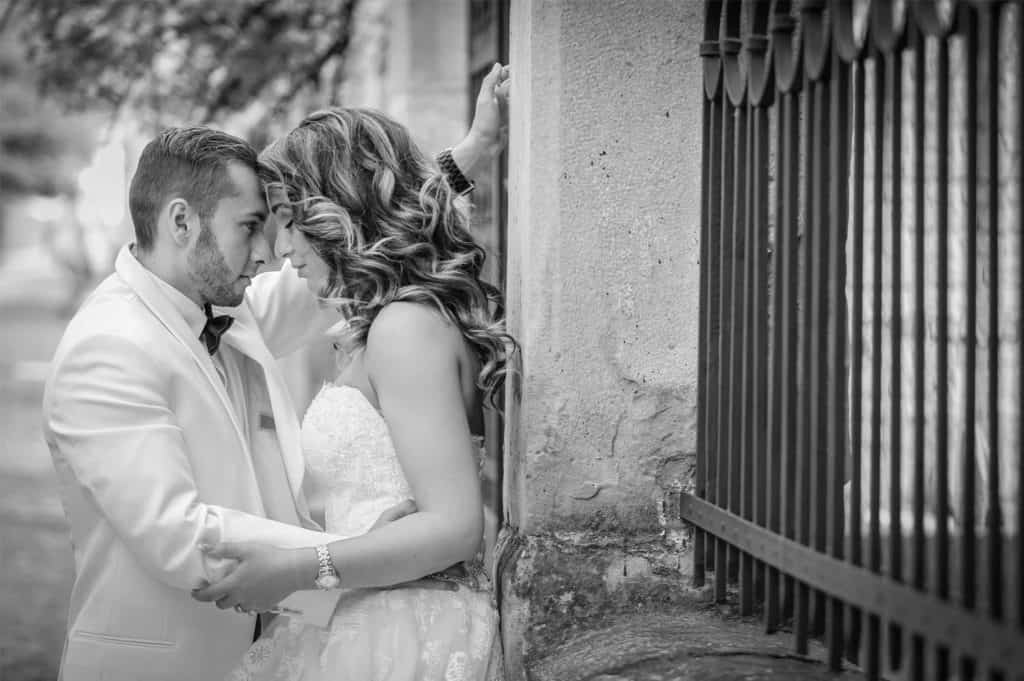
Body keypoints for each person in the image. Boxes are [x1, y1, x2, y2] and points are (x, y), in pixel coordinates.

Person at [42, 64, 510, 681]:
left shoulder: (232, 307)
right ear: (181, 223)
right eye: (249, 228)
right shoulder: (108, 347)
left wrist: (467, 157)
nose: (268, 253)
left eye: (280, 223)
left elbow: (361, 231)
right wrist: (358, 552)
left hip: (332, 634)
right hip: (166, 663)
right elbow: (178, 534)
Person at [190, 103, 517, 681]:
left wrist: (296, 569)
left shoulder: (406, 328)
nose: (280, 249)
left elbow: (454, 527)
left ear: (337, 213)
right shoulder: (383, 322)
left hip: (406, 636)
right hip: (365, 615)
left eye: (289, 220)